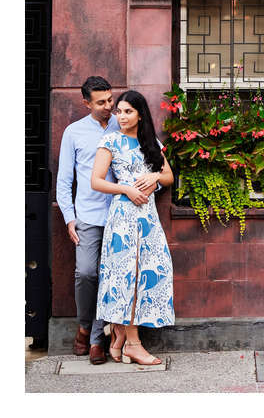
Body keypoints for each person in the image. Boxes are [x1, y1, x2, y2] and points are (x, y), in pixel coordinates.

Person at [56, 75, 155, 365]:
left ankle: (97, 340)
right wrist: (69, 218)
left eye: (110, 100)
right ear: (85, 102)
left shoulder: (125, 122)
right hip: (88, 215)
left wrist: (150, 184)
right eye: (101, 102)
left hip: (124, 217)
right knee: (87, 273)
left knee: (114, 278)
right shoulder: (73, 133)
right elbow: (65, 181)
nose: (109, 107)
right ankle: (85, 326)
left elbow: (154, 160)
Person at [91, 90, 175, 365]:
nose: (122, 116)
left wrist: (154, 176)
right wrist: (126, 188)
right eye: (119, 111)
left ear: (140, 114)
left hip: (148, 217)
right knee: (125, 275)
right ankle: (133, 345)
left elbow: (169, 177)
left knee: (148, 272)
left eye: (128, 111)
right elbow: (97, 181)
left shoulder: (151, 143)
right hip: (123, 217)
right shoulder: (110, 141)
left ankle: (118, 337)